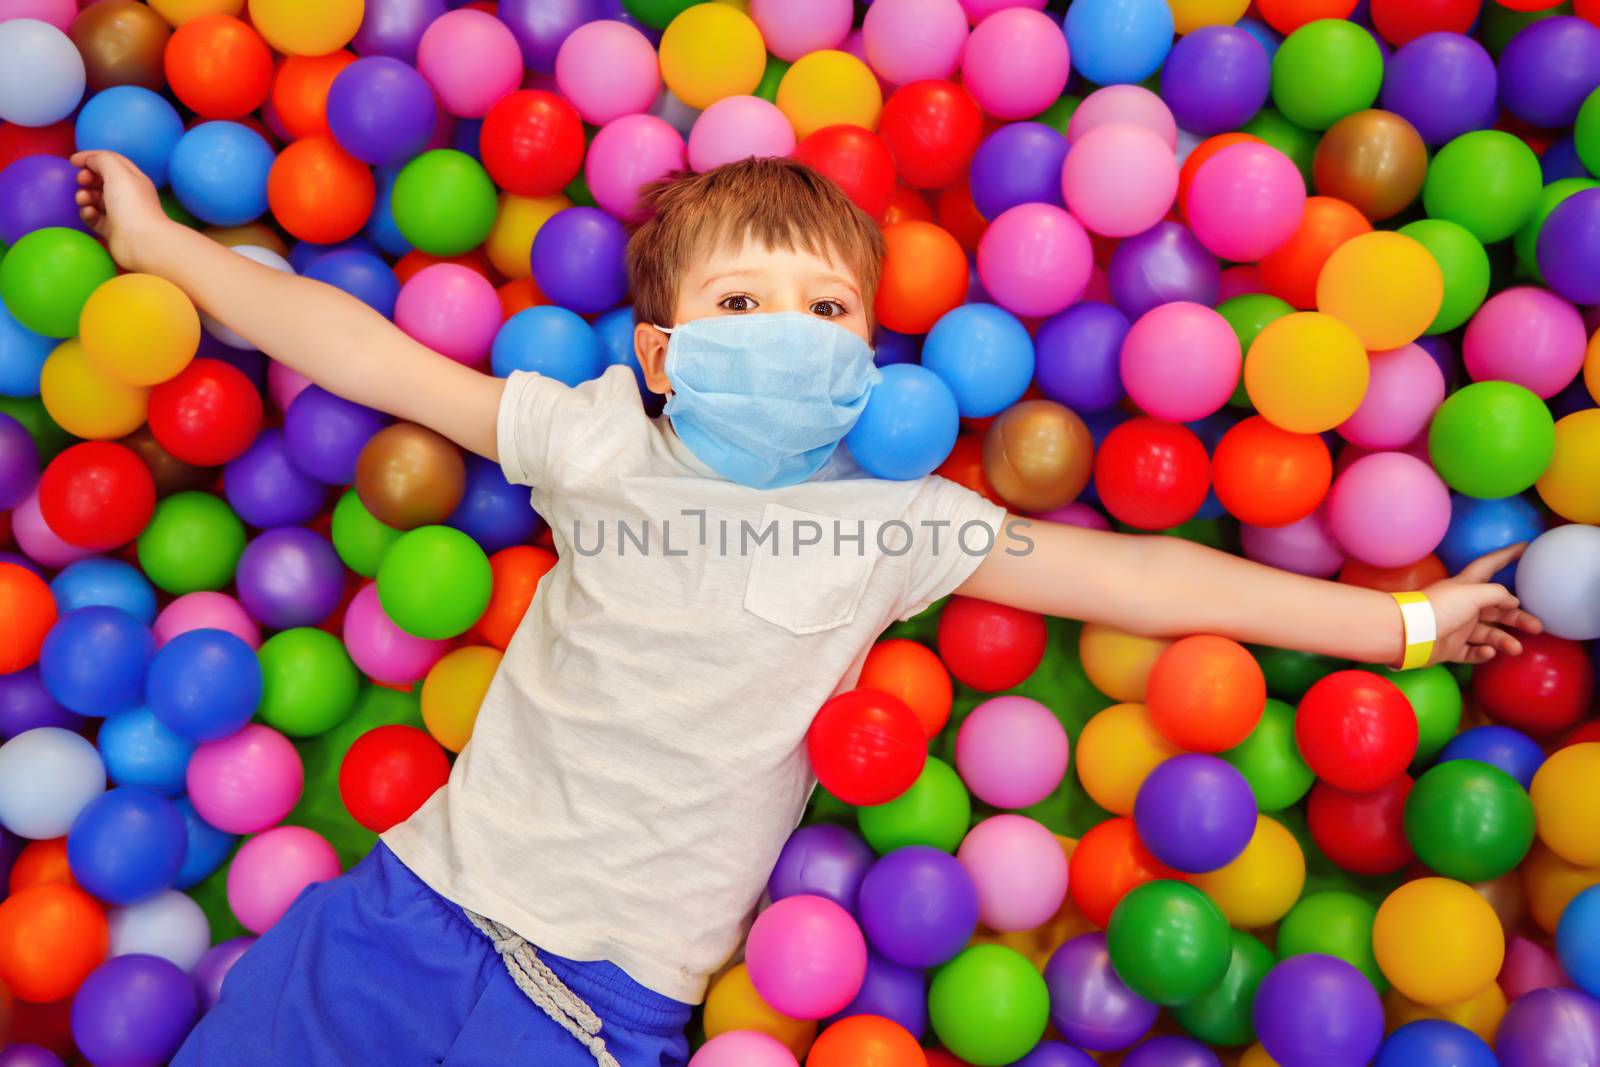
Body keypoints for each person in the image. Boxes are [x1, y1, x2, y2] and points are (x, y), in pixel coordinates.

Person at [72, 150, 1537, 1066]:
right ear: (659, 353)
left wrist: (1397, 627)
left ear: (872, 367)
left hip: (594, 1005)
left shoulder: (891, 524)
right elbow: (371, 356)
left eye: (829, 315)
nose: (789, 338)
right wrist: (166, 252)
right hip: (404, 914)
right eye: (741, 310)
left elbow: (1145, 576)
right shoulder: (593, 439)